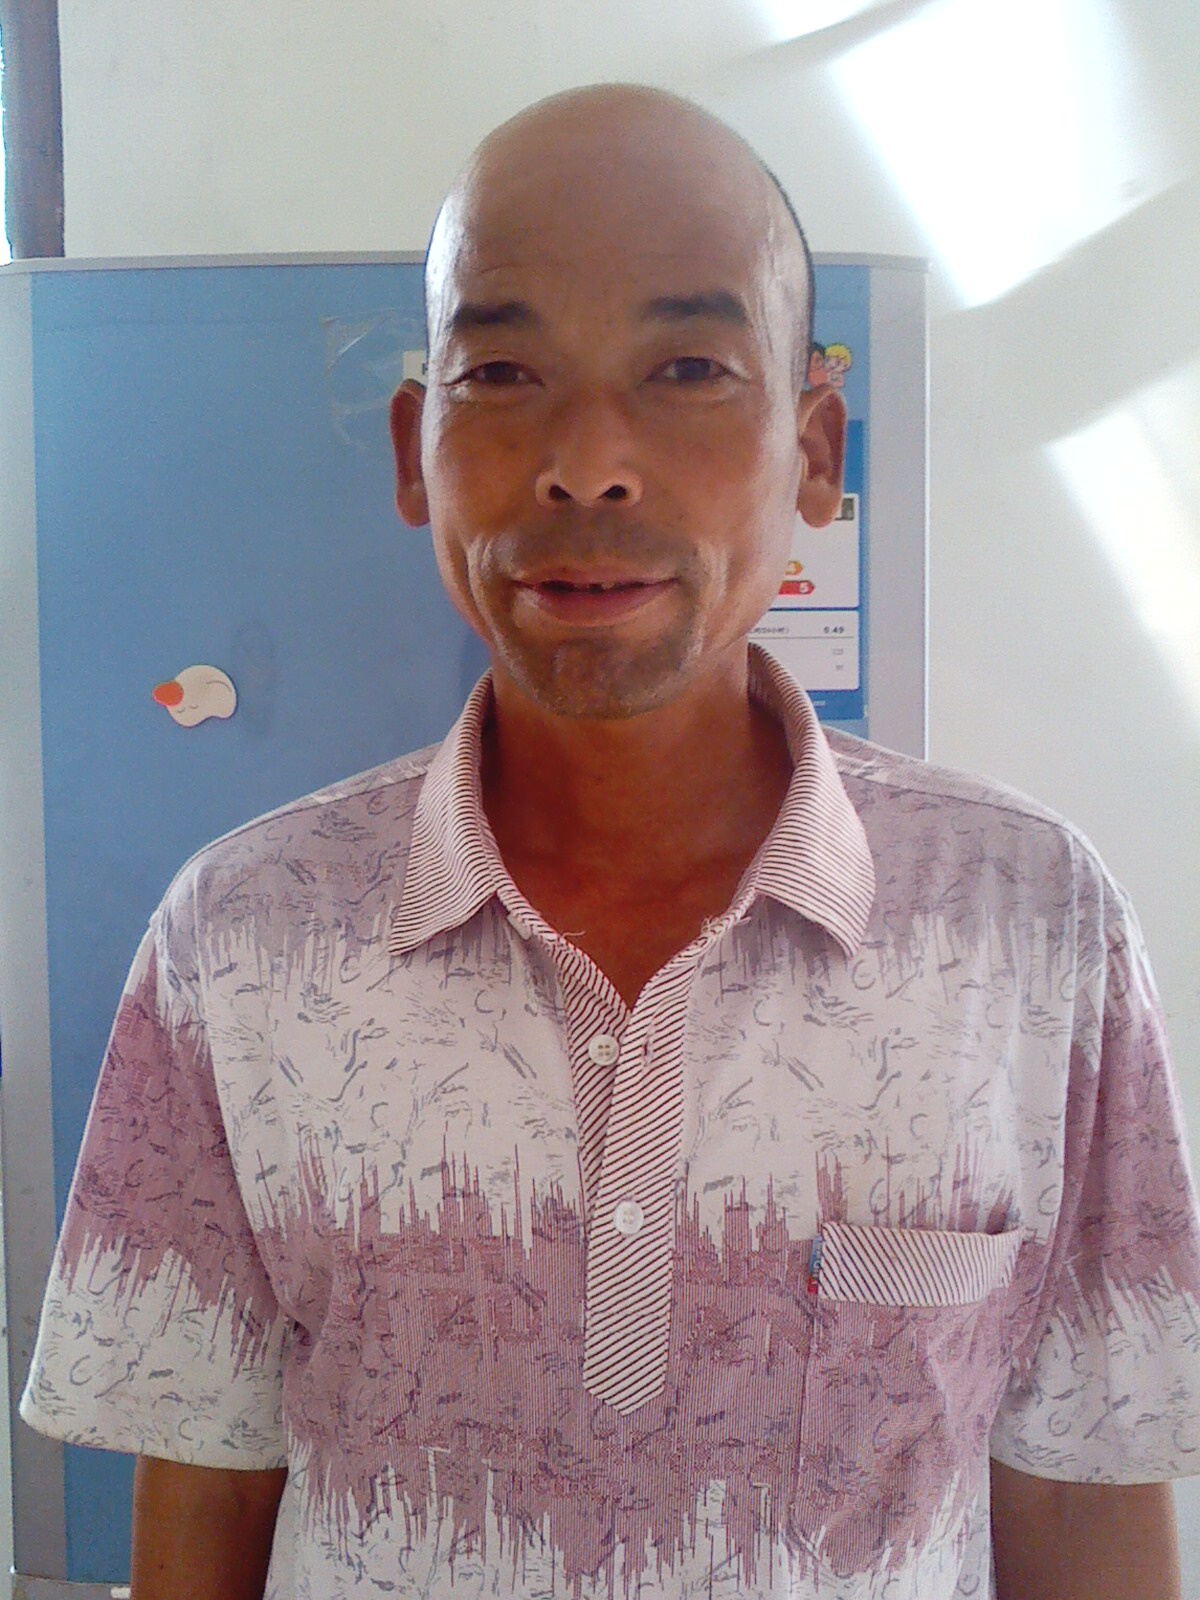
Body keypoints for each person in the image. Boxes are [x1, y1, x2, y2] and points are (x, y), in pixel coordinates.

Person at [20, 83, 1200, 1600]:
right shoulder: (238, 940)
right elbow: (204, 1490)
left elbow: (1087, 1501)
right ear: (414, 452)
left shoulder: (1030, 925)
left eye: (689, 368)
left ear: (815, 451)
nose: (587, 462)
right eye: (503, 371)